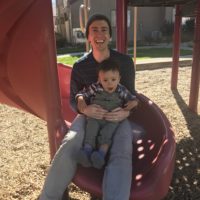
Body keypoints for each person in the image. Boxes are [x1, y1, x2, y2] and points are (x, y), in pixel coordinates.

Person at [39, 14, 140, 200]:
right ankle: (47, 197)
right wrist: (84, 109)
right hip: (88, 116)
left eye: (104, 30)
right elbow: (74, 98)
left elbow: (133, 95)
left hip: (117, 117)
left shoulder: (124, 62)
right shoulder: (80, 66)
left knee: (122, 149)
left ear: (110, 35)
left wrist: (125, 112)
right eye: (94, 30)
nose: (99, 34)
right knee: (70, 142)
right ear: (88, 36)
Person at [76, 58, 137, 169]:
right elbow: (82, 94)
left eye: (113, 79)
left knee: (107, 134)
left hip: (111, 119)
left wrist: (132, 104)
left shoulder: (121, 90)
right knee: (91, 129)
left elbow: (133, 99)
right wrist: (81, 100)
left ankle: (101, 155)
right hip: (95, 118)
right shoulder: (95, 87)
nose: (110, 83)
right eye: (105, 80)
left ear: (119, 79)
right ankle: (86, 151)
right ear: (99, 80)